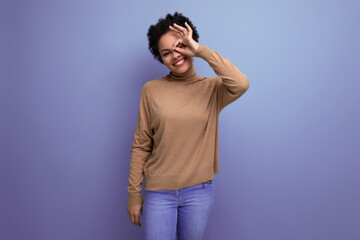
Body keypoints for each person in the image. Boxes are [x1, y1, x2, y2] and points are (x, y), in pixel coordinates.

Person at [126, 12, 249, 240]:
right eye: (166, 53)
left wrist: (200, 50)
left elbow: (241, 84)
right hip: (158, 193)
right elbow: (141, 145)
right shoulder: (151, 90)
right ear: (161, 58)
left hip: (198, 193)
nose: (175, 55)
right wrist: (134, 194)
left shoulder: (212, 90)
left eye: (180, 46)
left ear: (190, 44)